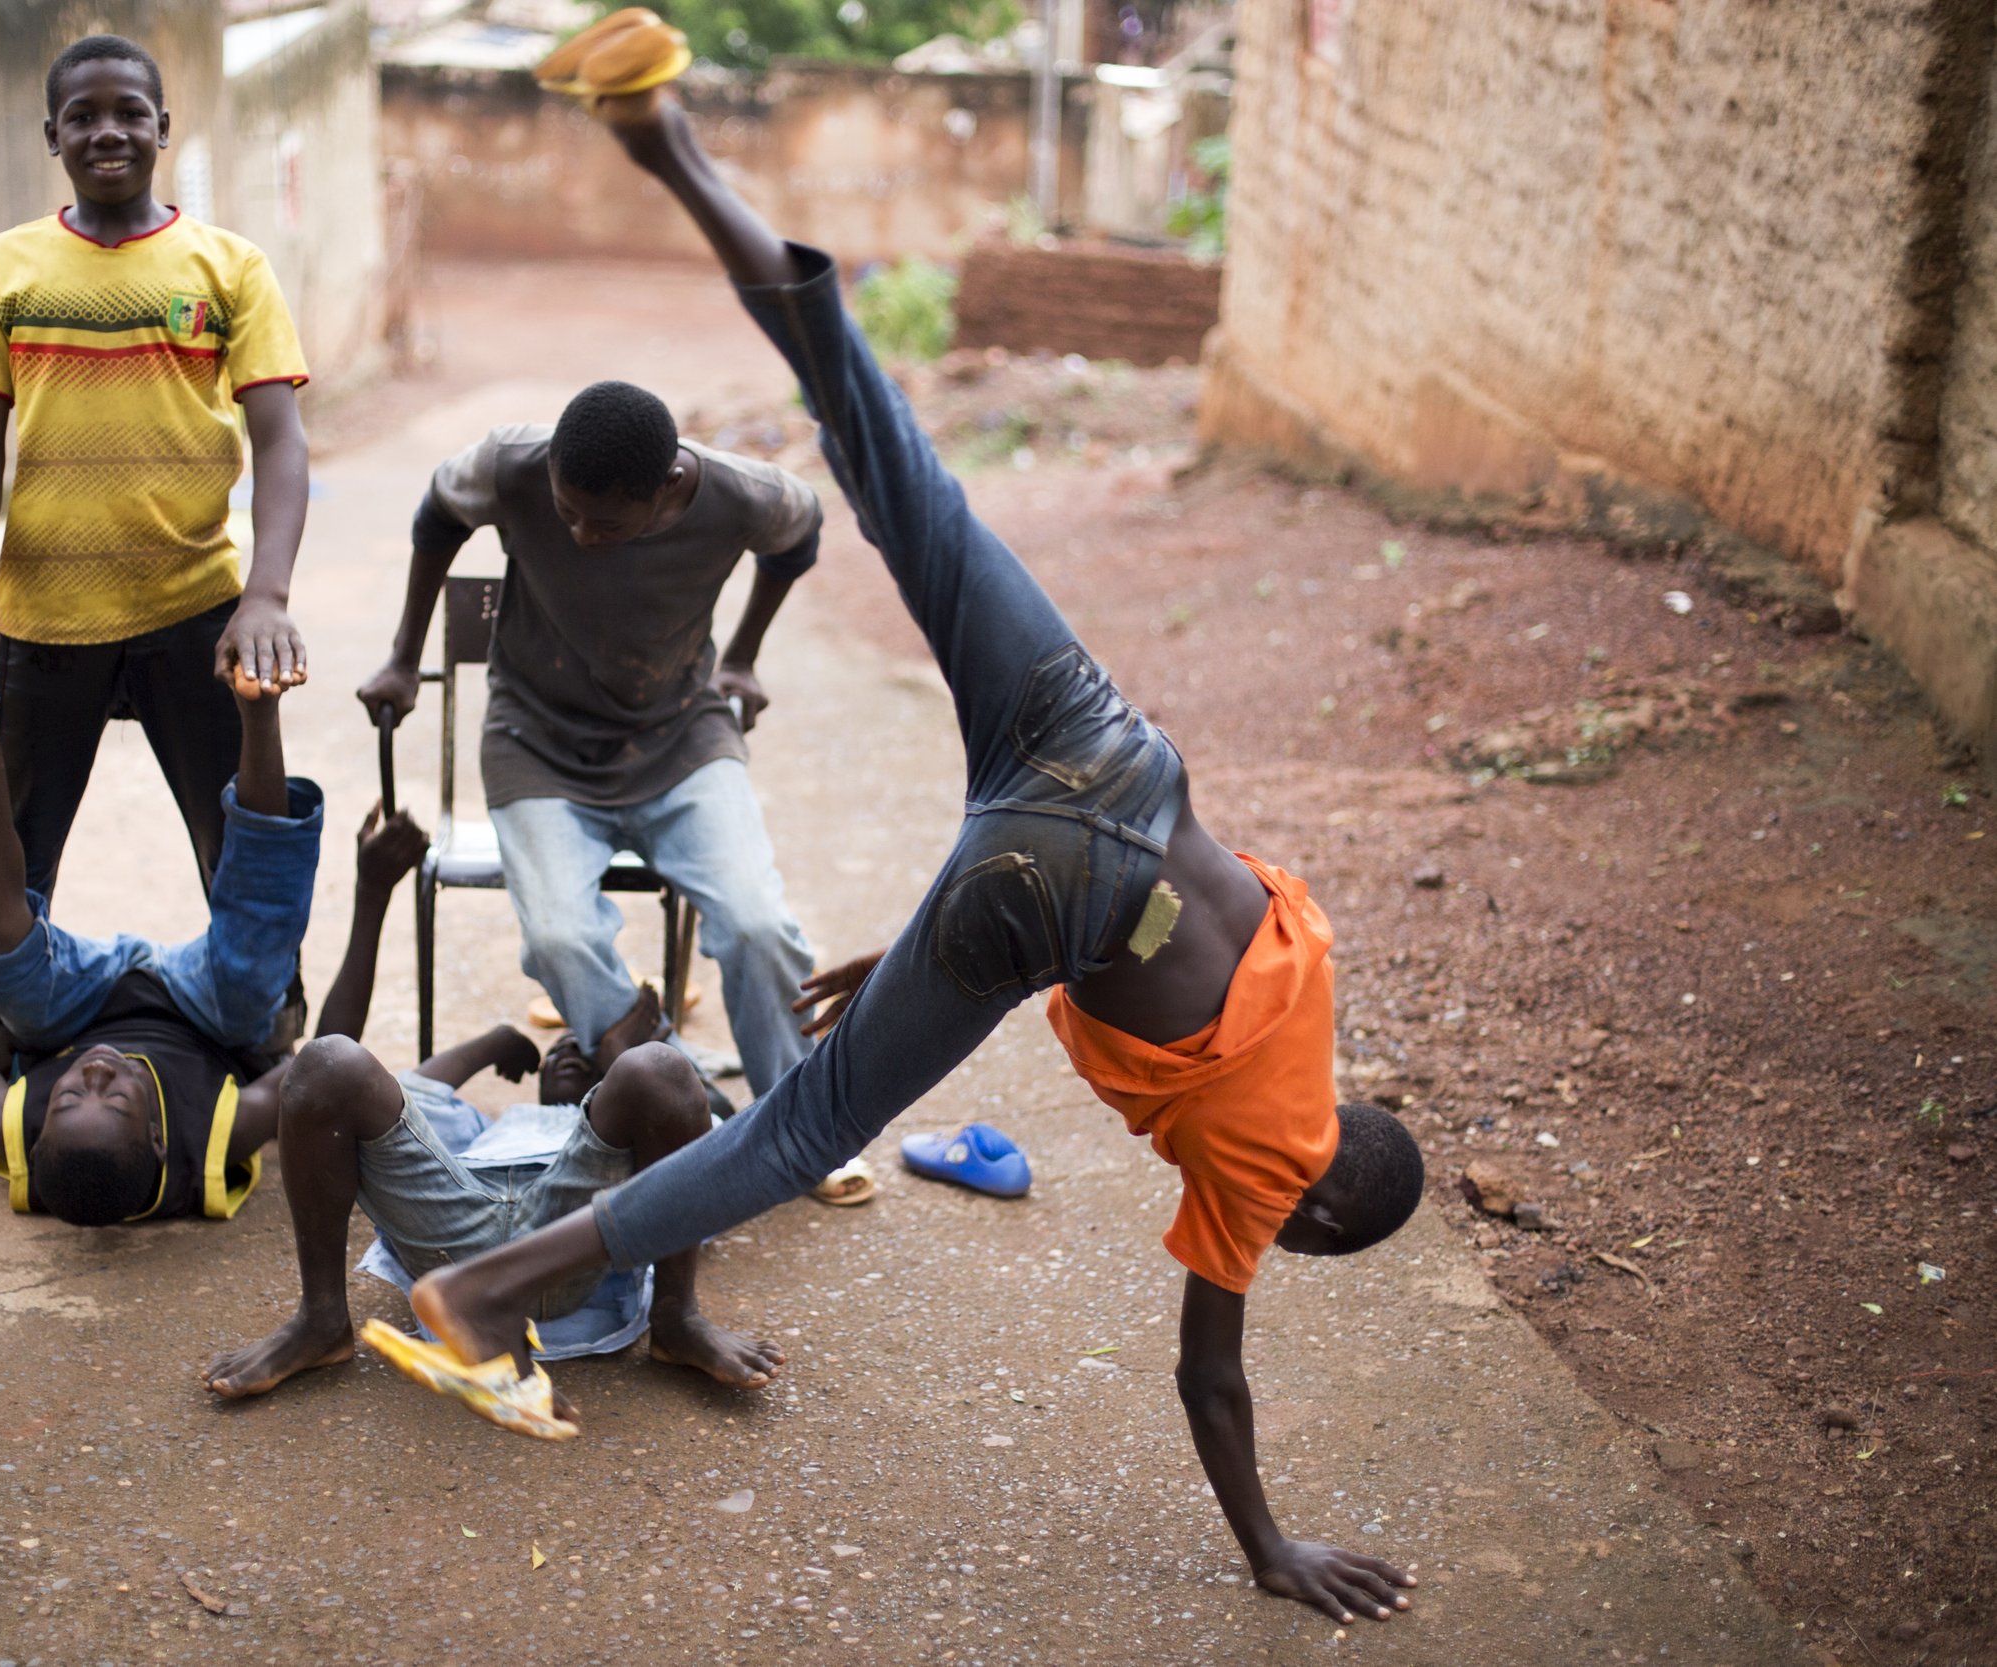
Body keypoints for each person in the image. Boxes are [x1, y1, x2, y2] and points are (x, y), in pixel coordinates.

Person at [392, 67, 1430, 1628]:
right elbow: (1207, 1374)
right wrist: (1272, 1549)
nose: (1287, 1225)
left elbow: (1166, 926)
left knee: (894, 472)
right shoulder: (1262, 1174)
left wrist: (937, 947)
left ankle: (677, 153)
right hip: (1049, 886)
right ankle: (481, 1290)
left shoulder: (1316, 983)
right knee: (796, 1130)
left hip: (1100, 741)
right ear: (1328, 1205)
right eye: (1310, 1228)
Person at [0, 32, 315, 1152]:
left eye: (131, 111)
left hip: (195, 610)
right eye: (83, 116)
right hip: (45, 618)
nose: (108, 131)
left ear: (165, 129)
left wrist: (264, 592)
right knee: (10, 859)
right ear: (53, 137)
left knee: (243, 843)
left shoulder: (227, 267)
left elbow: (280, 437)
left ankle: (275, 1046)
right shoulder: (6, 270)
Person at [354, 380, 824, 1101]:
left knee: (758, 923)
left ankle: (798, 1117)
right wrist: (401, 654)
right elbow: (438, 515)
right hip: (535, 740)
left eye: (605, 525)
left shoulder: (743, 494)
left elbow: (799, 537)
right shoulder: (512, 462)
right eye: (565, 511)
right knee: (559, 940)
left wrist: (742, 655)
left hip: (680, 737)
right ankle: (671, 1085)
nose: (579, 535)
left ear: (666, 488)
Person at [0, 657, 420, 1227]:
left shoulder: (16, 1127)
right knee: (253, 973)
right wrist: (372, 892)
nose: (94, 1074)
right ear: (160, 1138)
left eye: (67, 1098)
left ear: (37, 1140)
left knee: (1, 963)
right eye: (116, 1099)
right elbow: (329, 1052)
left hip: (69, 1013)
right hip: (209, 1020)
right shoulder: (211, 1135)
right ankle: (258, 707)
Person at [198, 1026, 783, 1407]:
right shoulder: (472, 1121)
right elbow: (417, 1089)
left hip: (576, 1234)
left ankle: (677, 1318)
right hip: (453, 1230)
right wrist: (495, 1042)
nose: (569, 1058)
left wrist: (626, 1053)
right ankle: (321, 1321)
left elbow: (704, 1157)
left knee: (659, 1067)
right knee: (328, 1062)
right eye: (561, 1052)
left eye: (586, 1055)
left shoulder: (634, 1116)